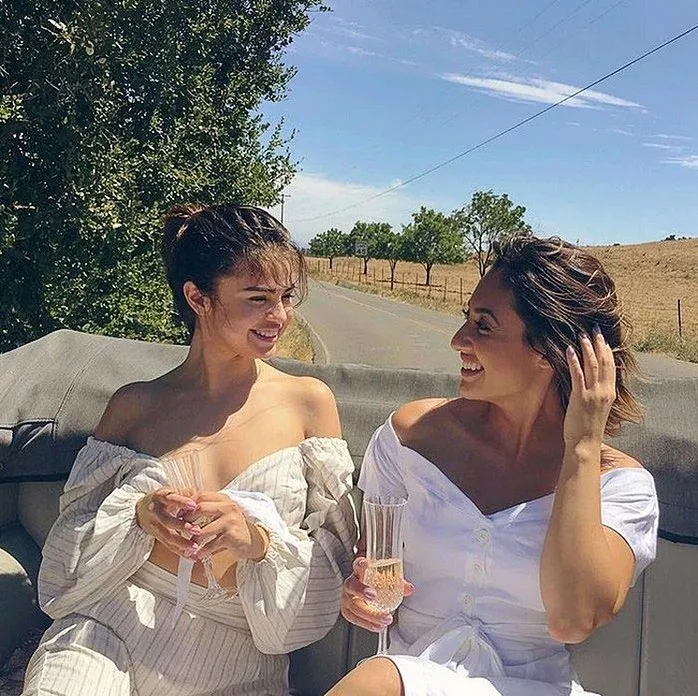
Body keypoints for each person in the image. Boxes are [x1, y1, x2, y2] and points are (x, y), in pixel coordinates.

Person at [24, 203, 358, 696]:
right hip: (108, 627)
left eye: (286, 297)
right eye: (258, 298)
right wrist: (139, 515)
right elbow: (66, 558)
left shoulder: (308, 403)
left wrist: (258, 541)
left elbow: (338, 557)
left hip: (238, 655)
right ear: (198, 297)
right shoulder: (134, 406)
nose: (280, 316)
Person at [330, 235, 659, 696]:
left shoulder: (621, 486)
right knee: (383, 677)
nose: (458, 340)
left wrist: (582, 446)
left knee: (380, 680)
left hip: (527, 687)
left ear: (550, 348)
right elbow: (375, 566)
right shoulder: (410, 439)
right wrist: (360, 592)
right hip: (407, 674)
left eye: (483, 326)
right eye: (466, 318)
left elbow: (572, 620)